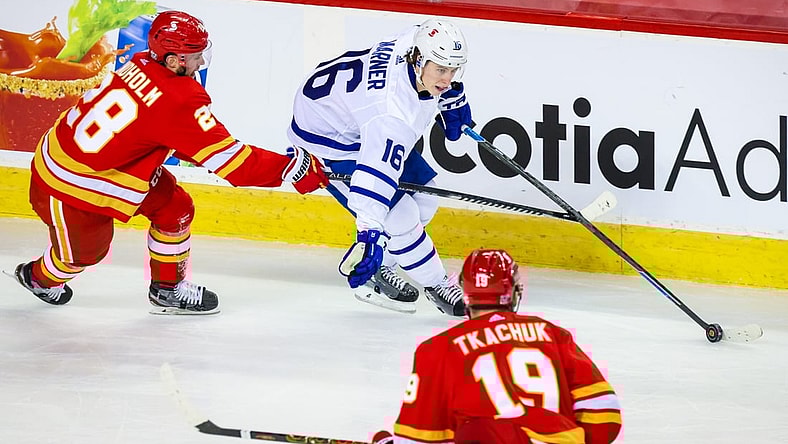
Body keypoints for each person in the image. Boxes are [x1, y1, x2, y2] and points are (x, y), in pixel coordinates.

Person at [10, 10, 328, 315]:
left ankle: (168, 289)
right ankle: (38, 278)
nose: (201, 61)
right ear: (174, 61)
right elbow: (236, 164)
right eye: (194, 56)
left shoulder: (140, 62)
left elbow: (170, 132)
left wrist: (208, 148)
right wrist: (290, 167)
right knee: (82, 255)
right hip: (69, 185)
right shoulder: (178, 99)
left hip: (106, 165)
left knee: (174, 208)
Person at [287, 17, 474, 317]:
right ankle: (437, 284)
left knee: (426, 196)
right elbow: (375, 180)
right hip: (330, 141)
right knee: (400, 218)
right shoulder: (391, 116)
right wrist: (369, 234)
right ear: (419, 61)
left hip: (354, 120)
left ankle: (384, 263)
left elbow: (421, 30)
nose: (447, 77)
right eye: (441, 70)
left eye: (453, 70)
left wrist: (450, 95)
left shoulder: (413, 44)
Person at [372, 249, 622, 444]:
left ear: (465, 293)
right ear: (514, 292)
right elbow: (605, 414)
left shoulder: (437, 349)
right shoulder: (554, 335)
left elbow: (418, 438)